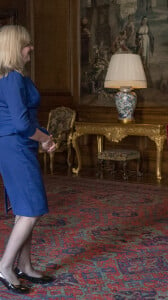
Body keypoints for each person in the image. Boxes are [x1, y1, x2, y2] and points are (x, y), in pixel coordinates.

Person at [0, 25, 56, 294]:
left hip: (19, 144)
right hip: (15, 145)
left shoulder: (15, 76)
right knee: (32, 209)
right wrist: (43, 139)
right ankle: (5, 266)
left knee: (25, 208)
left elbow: (26, 121)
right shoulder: (11, 77)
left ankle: (25, 265)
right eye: (26, 44)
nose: (31, 48)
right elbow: (21, 123)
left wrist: (43, 136)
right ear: (14, 47)